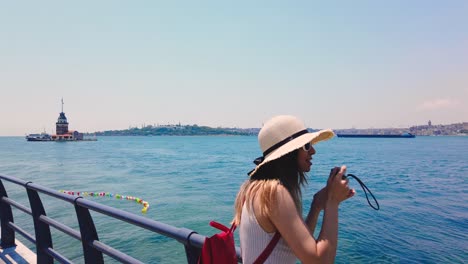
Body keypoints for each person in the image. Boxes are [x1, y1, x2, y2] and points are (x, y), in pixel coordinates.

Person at [233, 115, 355, 264]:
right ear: (288, 153)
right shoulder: (274, 193)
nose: (313, 151)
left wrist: (316, 205)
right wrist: (332, 202)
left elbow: (295, 247)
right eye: (307, 146)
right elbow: (319, 261)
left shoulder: (256, 188)